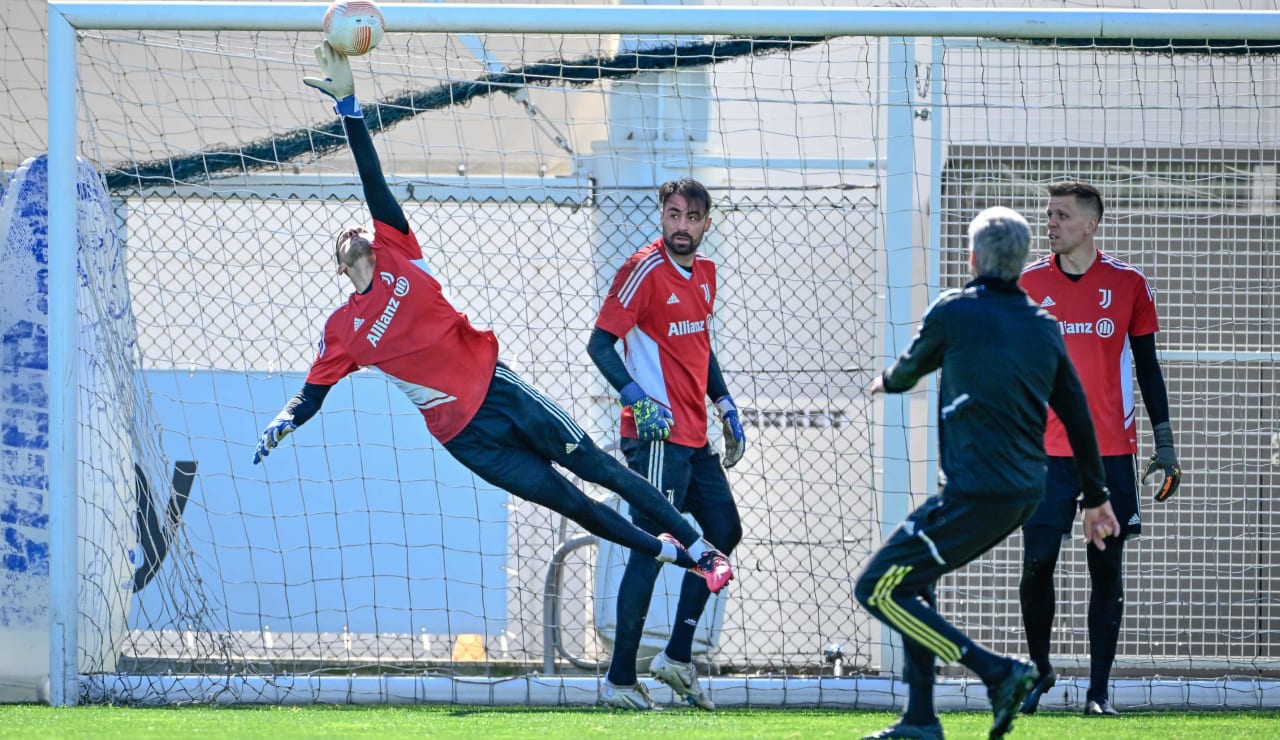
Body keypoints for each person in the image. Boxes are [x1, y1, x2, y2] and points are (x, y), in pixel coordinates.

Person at [252, 43, 734, 602]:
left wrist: (350, 110)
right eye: (342, 239)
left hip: (500, 391)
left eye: (356, 228)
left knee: (599, 468)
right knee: (574, 504)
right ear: (340, 267)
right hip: (468, 440)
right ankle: (682, 556)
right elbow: (312, 393)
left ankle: (701, 547)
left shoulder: (397, 250)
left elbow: (371, 177)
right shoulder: (343, 330)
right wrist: (285, 419)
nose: (352, 232)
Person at [855, 206, 1121, 740]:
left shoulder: (955, 311)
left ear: (972, 257)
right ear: (1021, 264)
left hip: (975, 492)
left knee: (876, 589)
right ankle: (921, 719)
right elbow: (1078, 415)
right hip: (1025, 493)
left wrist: (883, 380)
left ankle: (997, 671)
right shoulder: (1044, 327)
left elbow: (908, 374)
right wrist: (1097, 498)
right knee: (915, 580)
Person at [1017, 181, 1182, 717]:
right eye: (1048, 214)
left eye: (1062, 215)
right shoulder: (1027, 283)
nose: (1051, 223)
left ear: (1090, 224)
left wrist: (1166, 441)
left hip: (1111, 452)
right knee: (1037, 565)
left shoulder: (1129, 283)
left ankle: (1098, 692)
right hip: (1045, 454)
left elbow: (1149, 368)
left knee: (1106, 569)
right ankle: (1041, 672)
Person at [587, 178, 746, 711]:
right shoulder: (641, 270)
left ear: (707, 223)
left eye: (692, 217)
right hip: (655, 439)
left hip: (695, 437)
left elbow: (702, 346)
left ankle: (677, 657)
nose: (682, 226)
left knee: (723, 531)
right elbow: (599, 343)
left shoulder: (705, 274)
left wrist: (724, 405)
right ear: (662, 216)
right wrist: (635, 396)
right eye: (673, 215)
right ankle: (620, 680)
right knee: (650, 550)